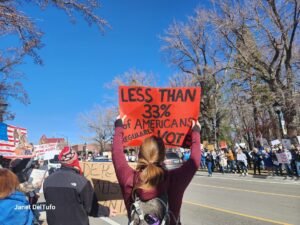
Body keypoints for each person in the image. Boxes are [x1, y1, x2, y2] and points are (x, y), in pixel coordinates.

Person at [112, 116, 201, 225]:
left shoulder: (128, 177)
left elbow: (117, 154)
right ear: (163, 156)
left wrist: (119, 127)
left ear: (140, 155)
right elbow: (195, 160)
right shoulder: (175, 179)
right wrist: (195, 132)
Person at [43, 146, 115, 225]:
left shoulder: (48, 180)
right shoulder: (81, 181)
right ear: (74, 160)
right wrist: (107, 211)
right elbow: (91, 208)